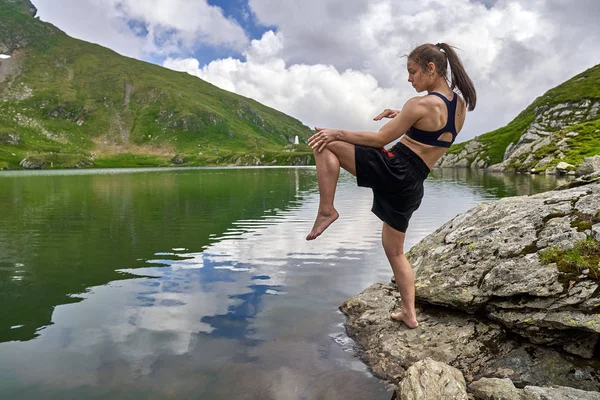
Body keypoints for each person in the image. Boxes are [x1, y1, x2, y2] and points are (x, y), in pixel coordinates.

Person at [305, 43, 477, 329]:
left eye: (413, 72)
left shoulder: (419, 104)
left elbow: (378, 140)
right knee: (395, 251)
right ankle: (409, 314)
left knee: (326, 144)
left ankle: (327, 210)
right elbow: (435, 126)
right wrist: (401, 115)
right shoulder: (459, 105)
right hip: (413, 185)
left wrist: (337, 131)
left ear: (430, 69)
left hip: (395, 168)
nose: (410, 79)